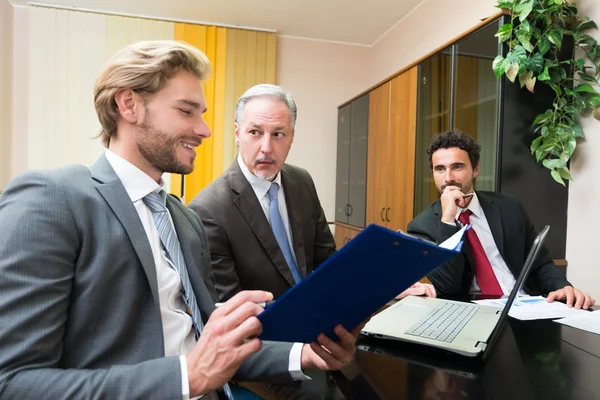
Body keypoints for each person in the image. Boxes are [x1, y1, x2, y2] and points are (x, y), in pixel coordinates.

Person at [0, 41, 360, 399]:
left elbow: (211, 345)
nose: (204, 130)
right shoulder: (53, 199)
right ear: (128, 105)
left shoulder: (184, 221)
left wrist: (305, 354)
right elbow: (13, 383)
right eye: (187, 112)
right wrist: (186, 377)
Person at [187, 84, 434, 398]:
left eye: (278, 134)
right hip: (268, 350)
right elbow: (234, 319)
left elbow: (329, 264)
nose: (266, 147)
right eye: (254, 132)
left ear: (292, 136)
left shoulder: (300, 181)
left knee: (393, 376)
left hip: (325, 329)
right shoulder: (208, 209)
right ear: (237, 132)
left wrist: (386, 284)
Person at [407, 129, 595, 309]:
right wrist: (448, 219)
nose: (448, 177)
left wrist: (562, 286)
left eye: (457, 167)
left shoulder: (509, 207)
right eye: (440, 169)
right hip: (472, 313)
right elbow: (448, 285)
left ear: (475, 169)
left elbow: (540, 263)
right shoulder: (421, 228)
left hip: (527, 305)